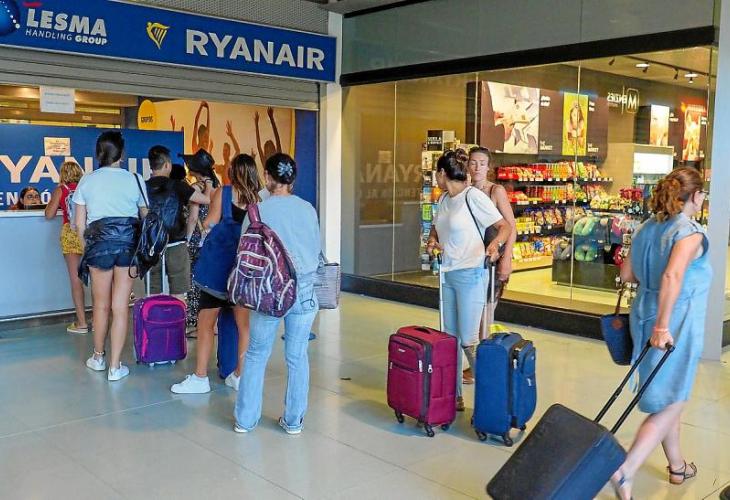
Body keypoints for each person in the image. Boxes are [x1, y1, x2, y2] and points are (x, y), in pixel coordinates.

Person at [611, 167, 710, 499]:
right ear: (695, 196)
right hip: (674, 321)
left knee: (668, 392)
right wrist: (663, 326)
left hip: (642, 313)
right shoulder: (689, 233)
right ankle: (626, 470)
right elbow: (672, 276)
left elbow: (627, 274)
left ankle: (677, 466)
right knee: (673, 399)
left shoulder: (646, 227)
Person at [234, 153, 321, 435]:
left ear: (267, 177)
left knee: (257, 354)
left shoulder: (257, 211)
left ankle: (246, 420)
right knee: (297, 356)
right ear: (292, 179)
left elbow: (244, 253)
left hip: (268, 291)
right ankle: (294, 421)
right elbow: (316, 248)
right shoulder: (308, 209)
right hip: (304, 290)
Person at [426, 151, 511, 411]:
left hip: (471, 274)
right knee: (449, 339)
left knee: (468, 339)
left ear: (442, 173)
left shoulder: (473, 197)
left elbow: (505, 226)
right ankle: (455, 397)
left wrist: (495, 246)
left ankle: (494, 399)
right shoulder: (444, 199)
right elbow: (436, 228)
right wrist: (432, 241)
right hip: (448, 273)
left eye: (436, 174)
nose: (436, 178)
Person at [171, 154, 261, 394]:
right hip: (243, 271)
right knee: (244, 326)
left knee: (206, 323)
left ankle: (200, 377)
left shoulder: (224, 193)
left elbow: (209, 223)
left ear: (233, 171)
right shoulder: (259, 200)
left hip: (217, 269)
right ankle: (239, 375)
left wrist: (204, 225)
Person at [73, 131, 147, 382]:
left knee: (101, 305)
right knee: (120, 306)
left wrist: (88, 248)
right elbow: (145, 216)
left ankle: (98, 357)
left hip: (98, 247)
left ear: (98, 153)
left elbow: (79, 224)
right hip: (128, 247)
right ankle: (116, 367)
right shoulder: (135, 179)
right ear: (122, 154)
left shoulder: (87, 181)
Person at [462, 146, 517, 384]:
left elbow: (511, 226)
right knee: (472, 315)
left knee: (485, 315)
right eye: (473, 162)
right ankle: (478, 365)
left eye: (482, 163)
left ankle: (480, 368)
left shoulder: (496, 191)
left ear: (488, 167)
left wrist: (507, 258)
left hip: (491, 261)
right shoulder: (464, 191)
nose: (477, 167)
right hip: (470, 260)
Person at [145, 146, 211, 299]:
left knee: (153, 292)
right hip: (176, 244)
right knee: (178, 292)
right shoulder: (178, 185)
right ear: (167, 165)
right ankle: (176, 315)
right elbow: (206, 200)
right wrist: (207, 184)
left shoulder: (143, 186)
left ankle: (154, 314)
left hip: (152, 245)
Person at [44, 161, 88, 334]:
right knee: (98, 278)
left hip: (70, 234)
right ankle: (101, 319)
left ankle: (82, 323)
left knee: (76, 280)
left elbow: (49, 214)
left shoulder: (61, 190)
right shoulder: (86, 188)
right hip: (88, 234)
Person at [181, 149, 221, 329]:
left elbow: (192, 217)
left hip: (198, 239)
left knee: (193, 279)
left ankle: (193, 317)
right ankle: (210, 318)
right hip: (213, 239)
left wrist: (188, 239)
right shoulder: (218, 186)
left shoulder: (197, 188)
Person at [254, 107, 282, 171]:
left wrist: (271, 118)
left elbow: (277, 139)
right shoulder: (266, 163)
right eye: (268, 149)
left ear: (274, 149)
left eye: (270, 149)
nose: (269, 151)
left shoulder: (277, 157)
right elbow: (259, 146)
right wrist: (256, 124)